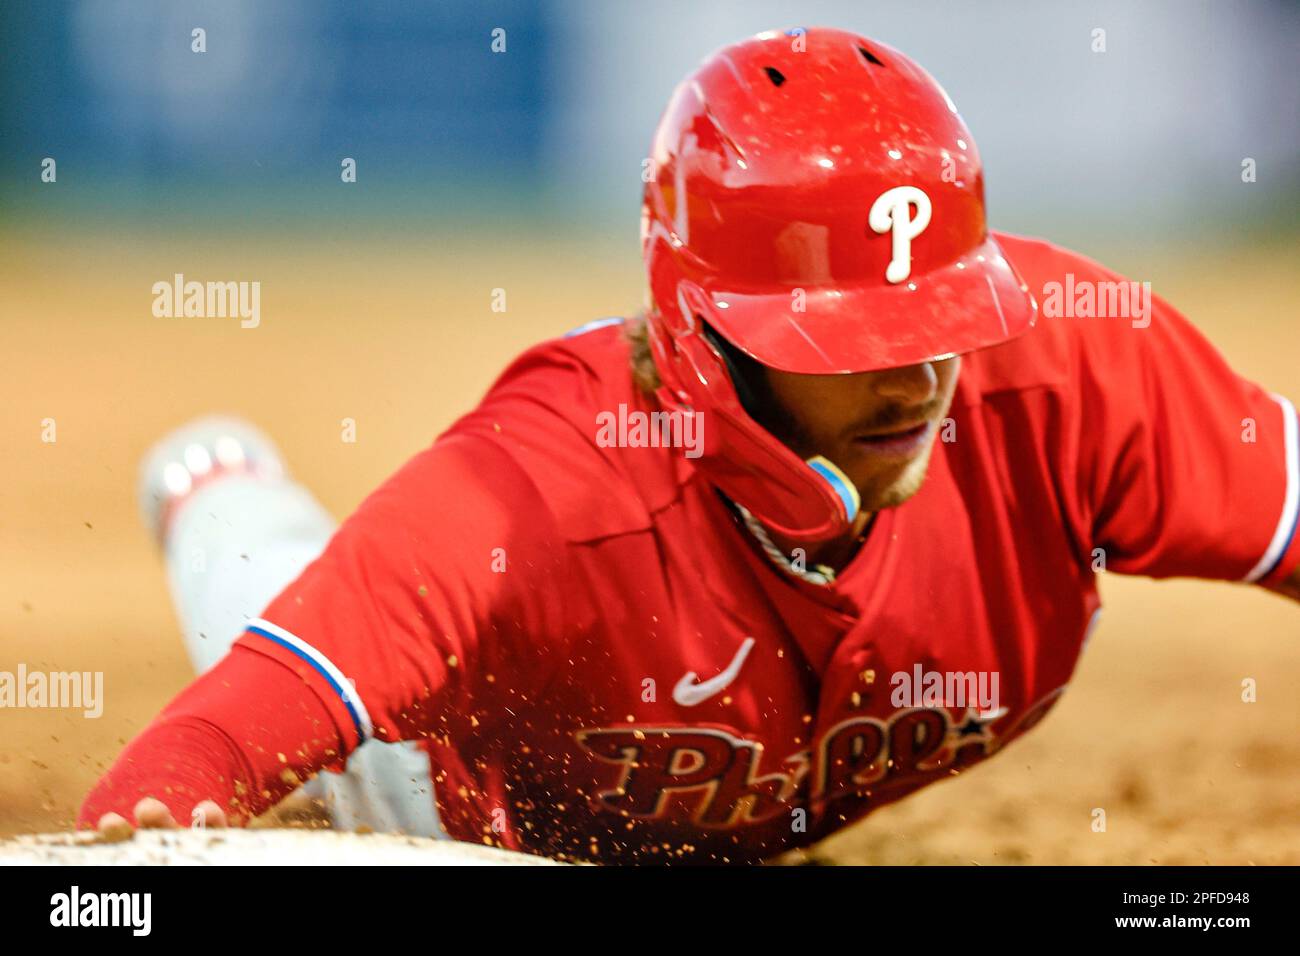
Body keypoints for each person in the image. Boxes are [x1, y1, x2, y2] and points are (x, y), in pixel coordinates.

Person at [81, 28, 1300, 864]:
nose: (921, 375)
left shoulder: (1072, 370)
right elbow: (186, 765)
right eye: (853, 338)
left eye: (938, 317)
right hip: (442, 801)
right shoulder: (523, 497)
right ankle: (215, 483)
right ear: (709, 339)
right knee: (258, 567)